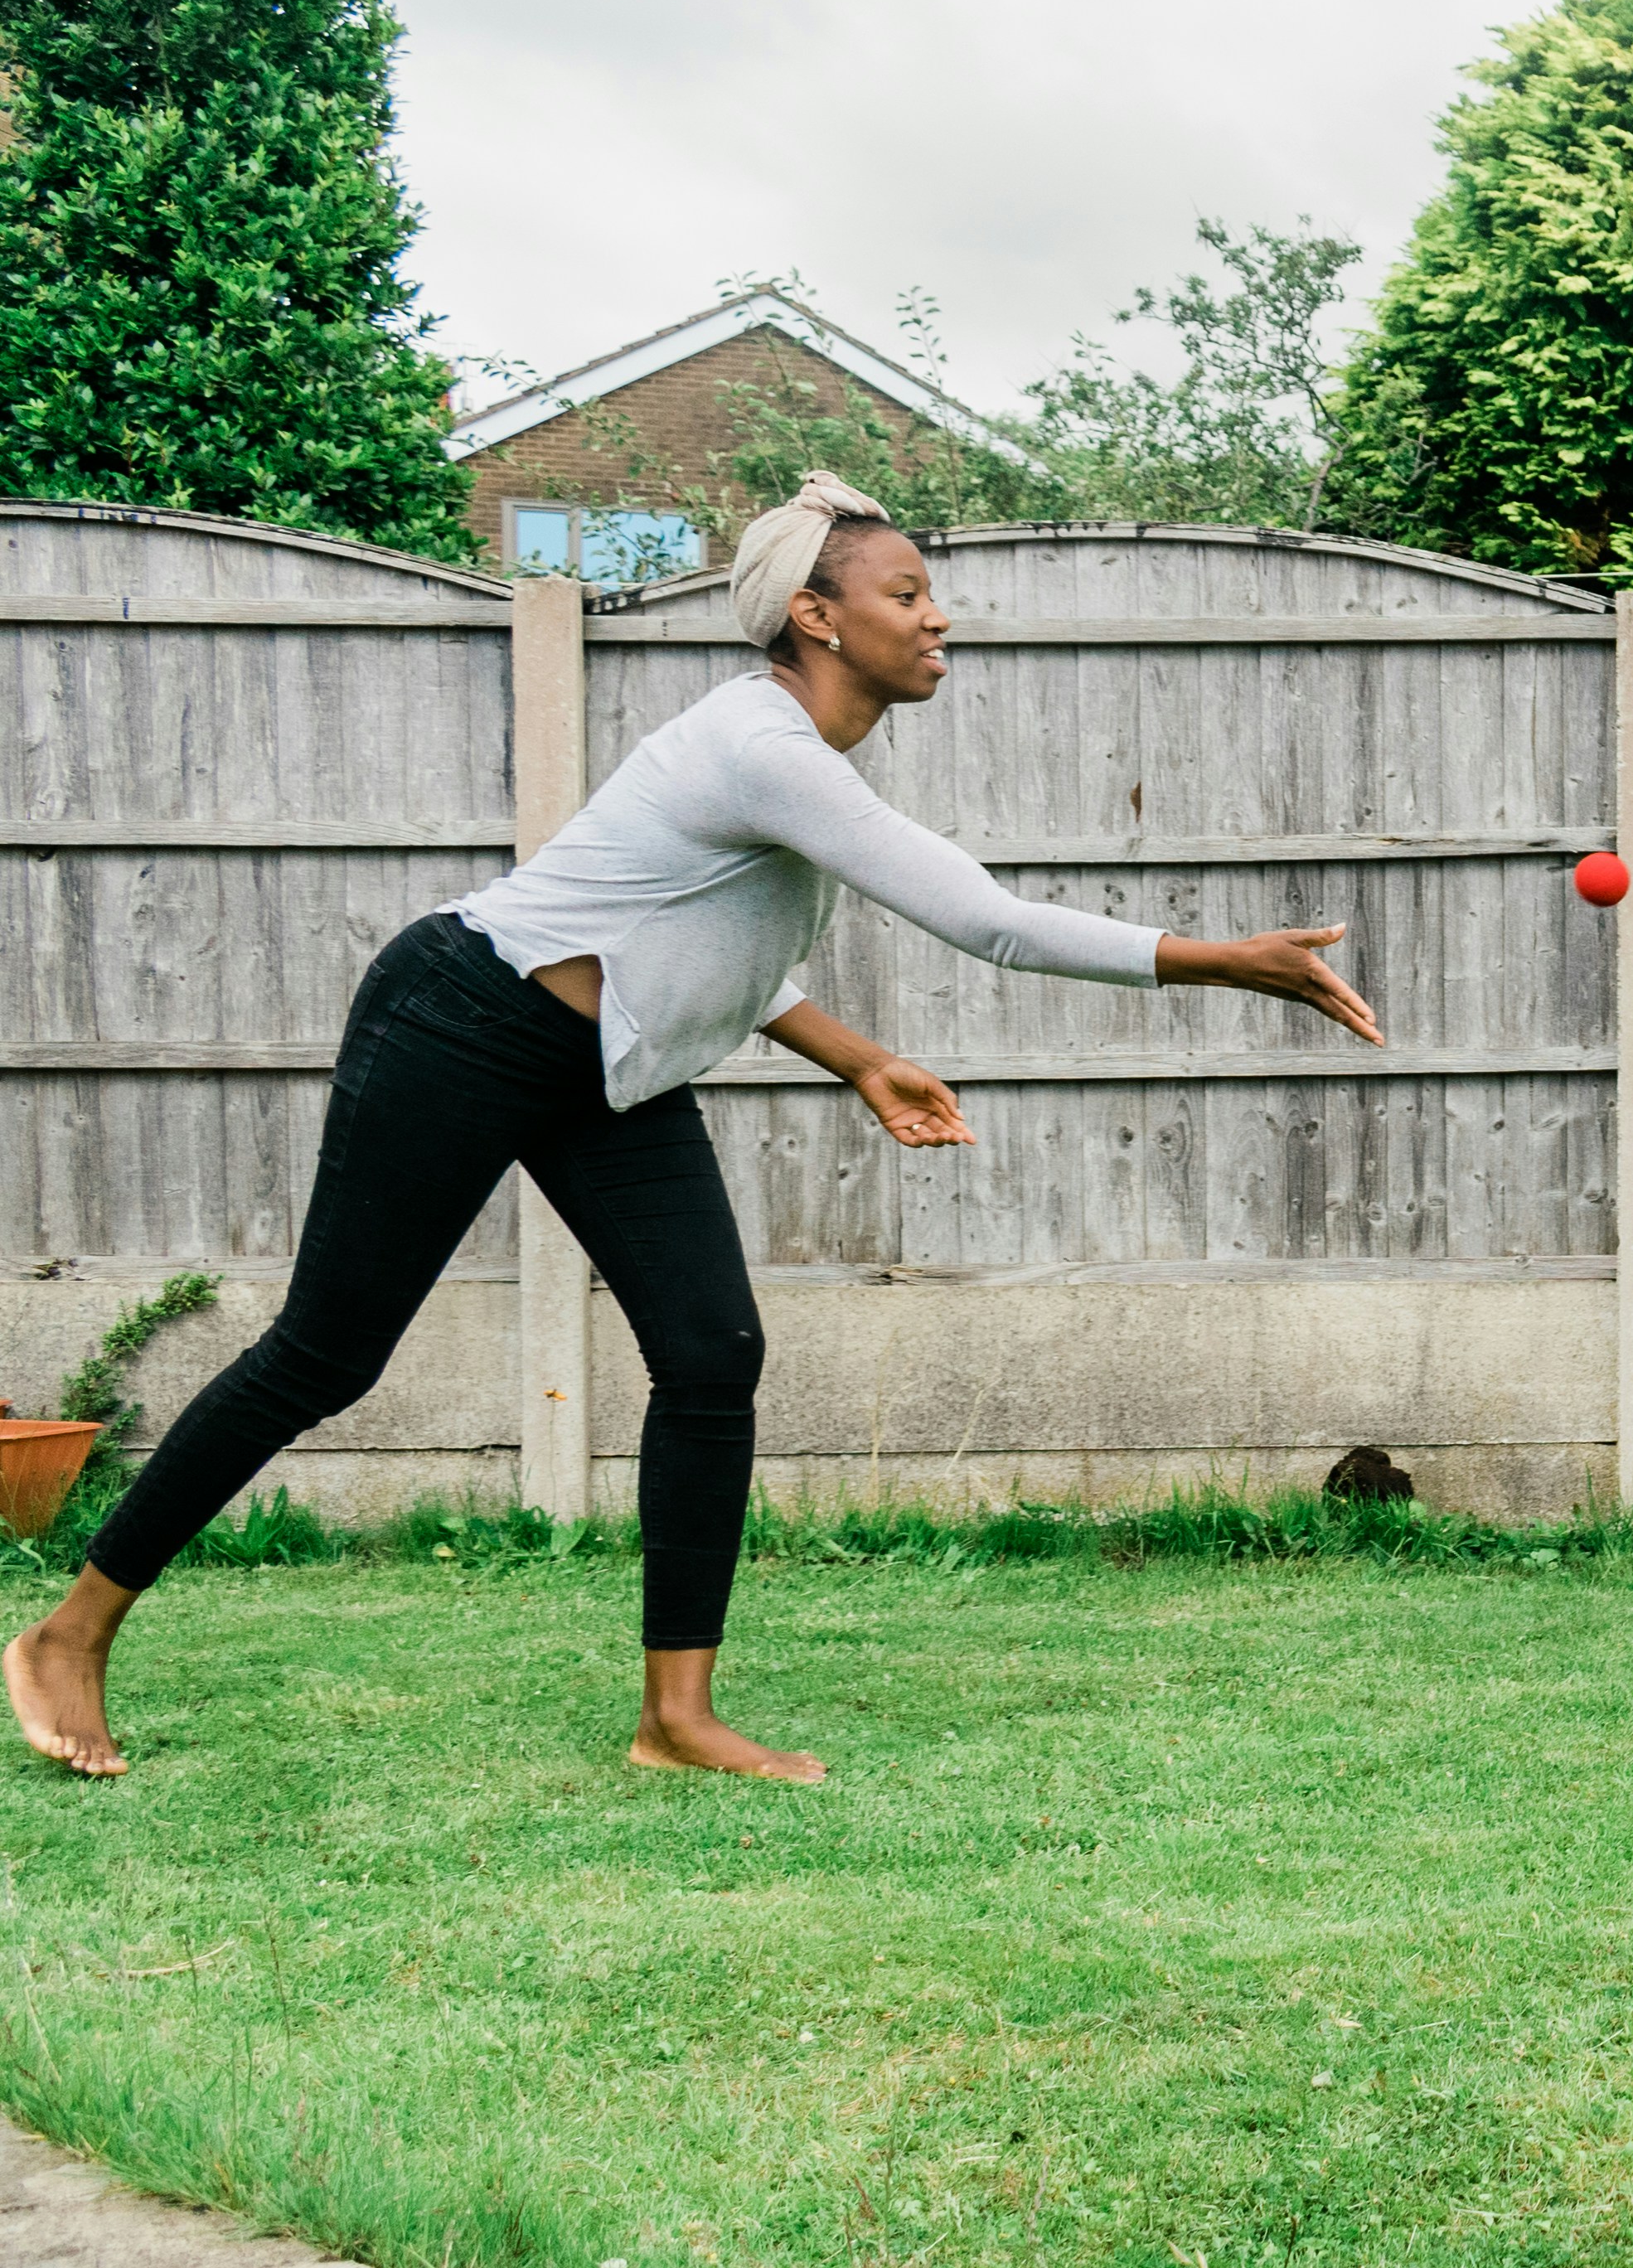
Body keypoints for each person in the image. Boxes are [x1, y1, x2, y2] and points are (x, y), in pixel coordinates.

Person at [5, 475, 1381, 1785]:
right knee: (327, 1354)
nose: (938, 615)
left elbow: (699, 937)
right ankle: (69, 1634)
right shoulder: (761, 745)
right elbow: (988, 921)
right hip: (466, 1023)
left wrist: (856, 1056)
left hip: (611, 1063)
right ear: (818, 617)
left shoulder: (795, 756)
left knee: (712, 1350)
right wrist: (1228, 961)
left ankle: (678, 1715)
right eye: (908, 592)